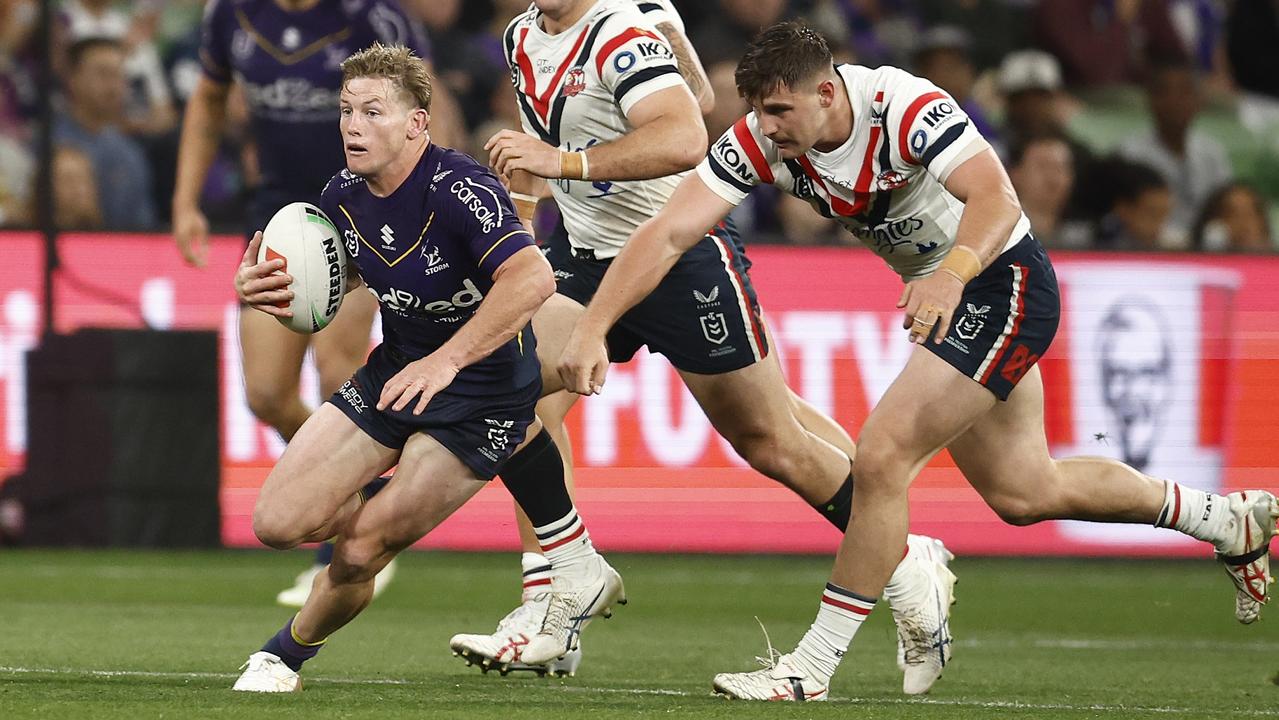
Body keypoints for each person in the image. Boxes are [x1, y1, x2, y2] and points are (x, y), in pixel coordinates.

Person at [554, 22, 1279, 701]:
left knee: (881, 455)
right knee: (1025, 493)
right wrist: (593, 327)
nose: (767, 127)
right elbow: (667, 232)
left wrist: (951, 272)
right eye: (758, 111)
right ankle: (1222, 519)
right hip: (949, 294)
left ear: (828, 93)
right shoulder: (760, 138)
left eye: (779, 110)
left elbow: (994, 196)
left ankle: (810, 668)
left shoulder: (901, 105)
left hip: (1000, 283)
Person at [447, 0, 957, 695]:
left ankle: (902, 557)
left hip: (676, 257)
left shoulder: (621, 33)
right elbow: (550, 142)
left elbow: (687, 132)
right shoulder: (521, 36)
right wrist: (532, 218)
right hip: (586, 256)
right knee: (501, 385)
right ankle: (558, 596)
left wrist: (562, 160)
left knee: (770, 440)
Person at [230, 43, 624, 692]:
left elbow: (529, 278)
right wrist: (272, 287)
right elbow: (344, 274)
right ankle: (554, 547)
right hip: (398, 374)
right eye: (347, 110)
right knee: (277, 524)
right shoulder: (343, 194)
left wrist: (449, 358)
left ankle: (284, 655)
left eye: (373, 111)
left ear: (417, 123)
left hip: (484, 398)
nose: (353, 125)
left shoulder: (460, 189)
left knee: (358, 550)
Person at [173, 0, 443, 607]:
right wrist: (186, 198)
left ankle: (347, 548)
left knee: (336, 368)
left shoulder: (374, 18)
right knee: (265, 393)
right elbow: (209, 99)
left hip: (363, 209)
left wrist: (416, 205)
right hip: (279, 217)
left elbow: (425, 113)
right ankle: (361, 497)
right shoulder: (231, 16)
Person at [1117, 58, 1232, 248]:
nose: (1175, 100)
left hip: (1209, 247)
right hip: (1150, 248)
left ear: (1199, 101)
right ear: (1151, 100)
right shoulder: (1130, 154)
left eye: (1185, 92)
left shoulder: (1212, 151)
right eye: (1165, 92)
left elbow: (1225, 205)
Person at [55, 36, 158, 230]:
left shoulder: (131, 154)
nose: (113, 86)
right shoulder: (48, 145)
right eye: (103, 74)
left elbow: (144, 229)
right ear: (72, 79)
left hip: (121, 256)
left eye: (119, 75)